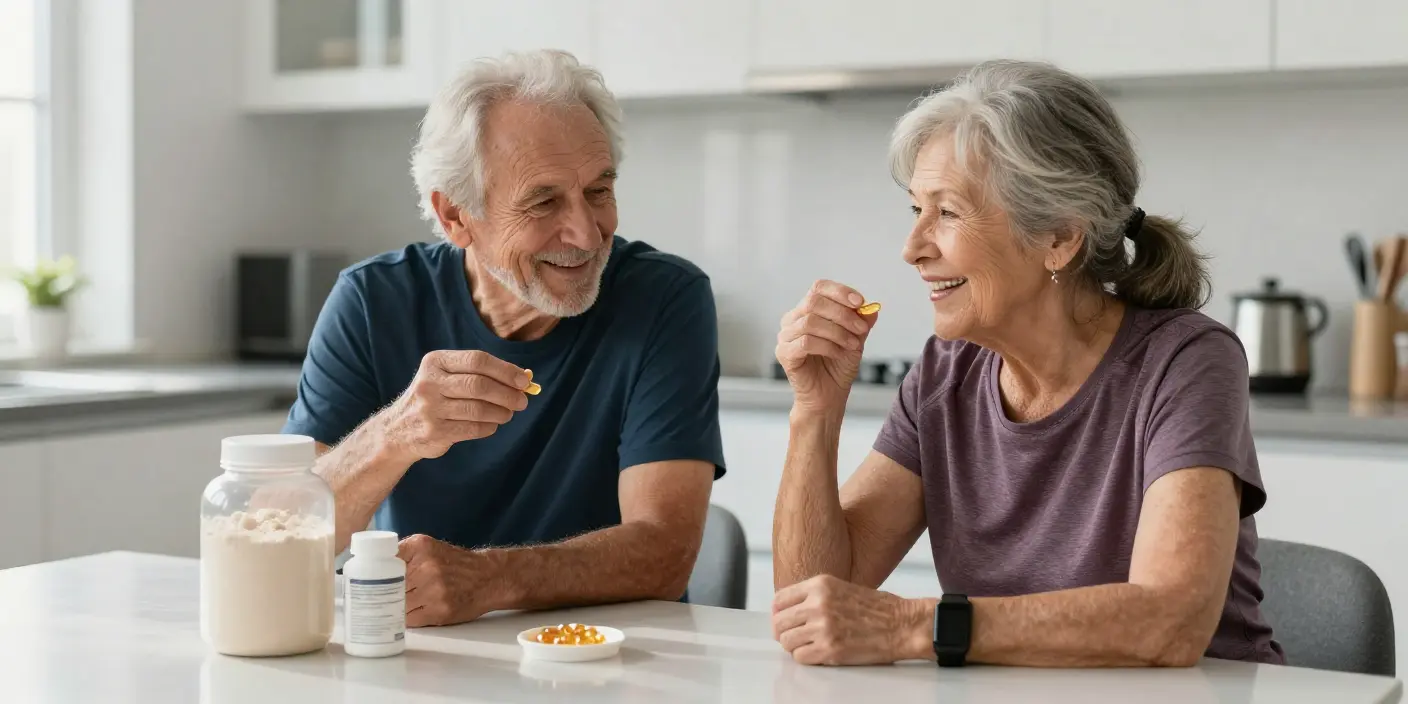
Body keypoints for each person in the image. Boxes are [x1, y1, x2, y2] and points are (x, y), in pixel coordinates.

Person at [769, 60, 1285, 668]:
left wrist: (916, 625)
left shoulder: (1186, 362)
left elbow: (1168, 621)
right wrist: (815, 408)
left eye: (949, 212)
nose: (912, 249)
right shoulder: (945, 372)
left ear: (1060, 239)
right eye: (916, 210)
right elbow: (812, 602)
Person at [283, 50, 724, 628]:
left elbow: (665, 552)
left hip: (610, 654)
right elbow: (288, 536)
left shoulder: (666, 298)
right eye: (543, 201)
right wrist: (397, 432)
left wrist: (488, 579)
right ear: (455, 218)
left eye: (598, 191)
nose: (587, 234)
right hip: (427, 655)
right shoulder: (372, 300)